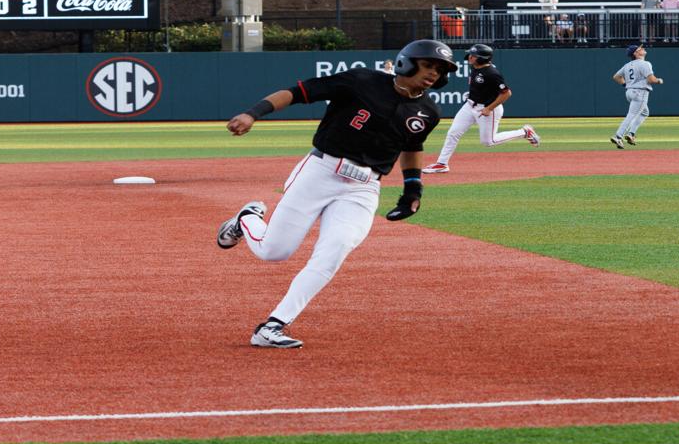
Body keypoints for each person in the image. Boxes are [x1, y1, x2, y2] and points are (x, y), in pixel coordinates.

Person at [216, 39, 457, 349]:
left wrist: (413, 189)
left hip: (364, 187)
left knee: (335, 249)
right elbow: (298, 92)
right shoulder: (361, 81)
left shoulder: (428, 111)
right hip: (320, 172)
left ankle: (273, 325)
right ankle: (246, 219)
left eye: (440, 70)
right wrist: (253, 113)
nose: (434, 74)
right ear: (406, 63)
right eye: (428, 66)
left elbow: (411, 147)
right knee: (274, 251)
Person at [423, 44, 538, 174]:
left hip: (488, 109)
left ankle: (524, 132)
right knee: (453, 133)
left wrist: (489, 108)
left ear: (482, 58)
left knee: (489, 141)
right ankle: (442, 164)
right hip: (470, 106)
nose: (470, 57)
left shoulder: (492, 73)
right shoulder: (476, 67)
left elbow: (506, 93)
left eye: (473, 55)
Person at [609, 44, 661, 149]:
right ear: (635, 53)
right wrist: (659, 80)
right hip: (640, 93)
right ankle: (618, 136)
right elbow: (651, 80)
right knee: (632, 115)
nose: (642, 49)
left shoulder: (628, 65)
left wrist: (626, 85)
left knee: (645, 112)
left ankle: (631, 134)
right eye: (639, 49)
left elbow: (616, 77)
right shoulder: (645, 64)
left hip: (629, 92)